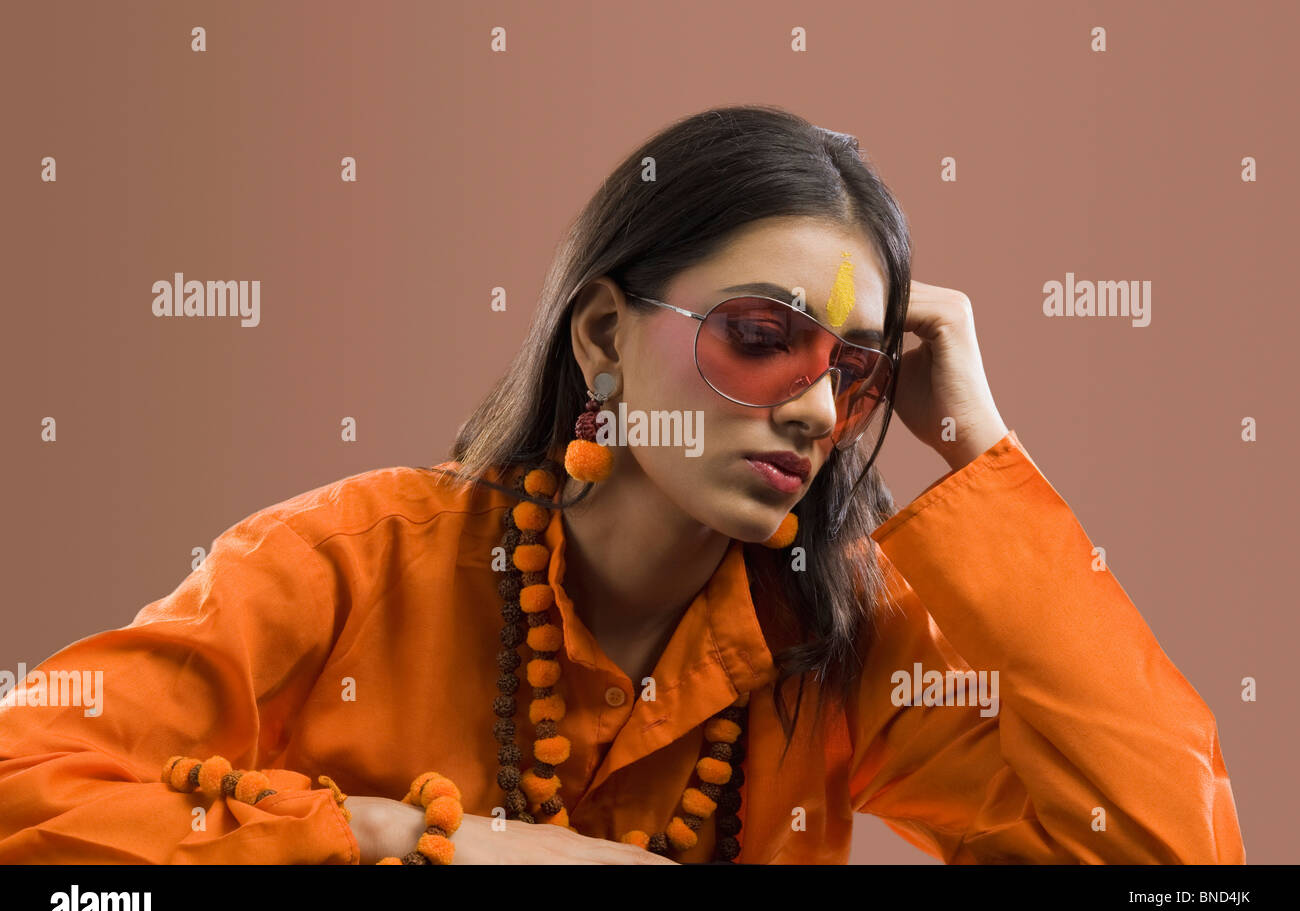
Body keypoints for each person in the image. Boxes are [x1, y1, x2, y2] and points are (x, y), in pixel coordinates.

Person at [0, 105, 1244, 864]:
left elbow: (1174, 875)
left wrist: (977, 446)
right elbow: (29, 815)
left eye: (853, 369)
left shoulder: (841, 643)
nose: (814, 405)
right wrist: (436, 840)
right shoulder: (350, 560)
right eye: (763, 335)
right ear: (600, 336)